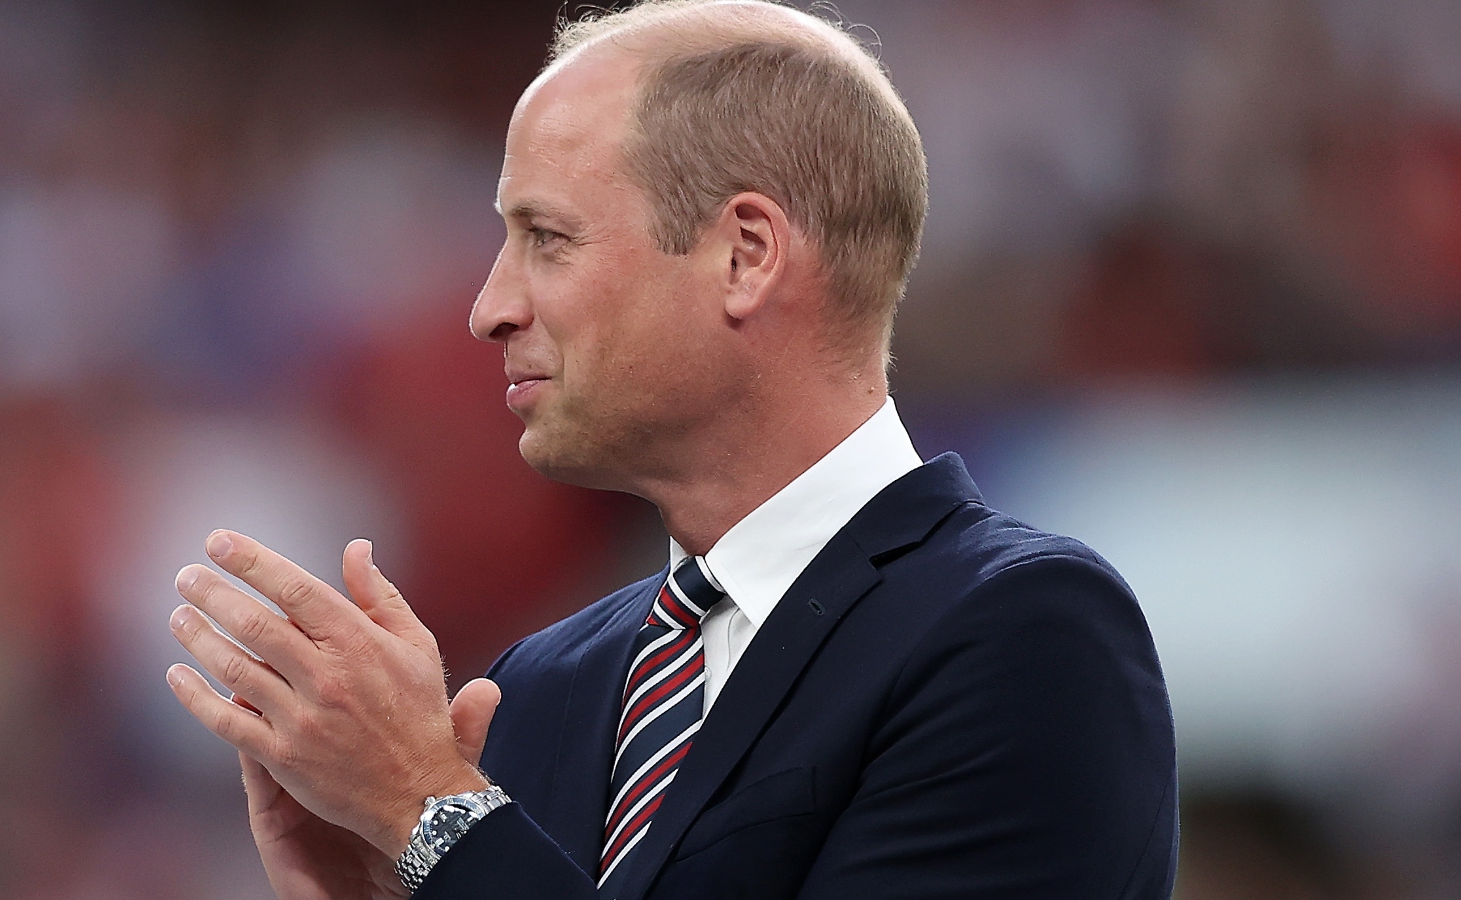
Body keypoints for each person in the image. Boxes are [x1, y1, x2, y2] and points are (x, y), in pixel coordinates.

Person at [165, 1, 1178, 898]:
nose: (489, 307)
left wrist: (429, 815)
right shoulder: (541, 687)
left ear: (743, 256)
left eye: (547, 238)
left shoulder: (1020, 629)